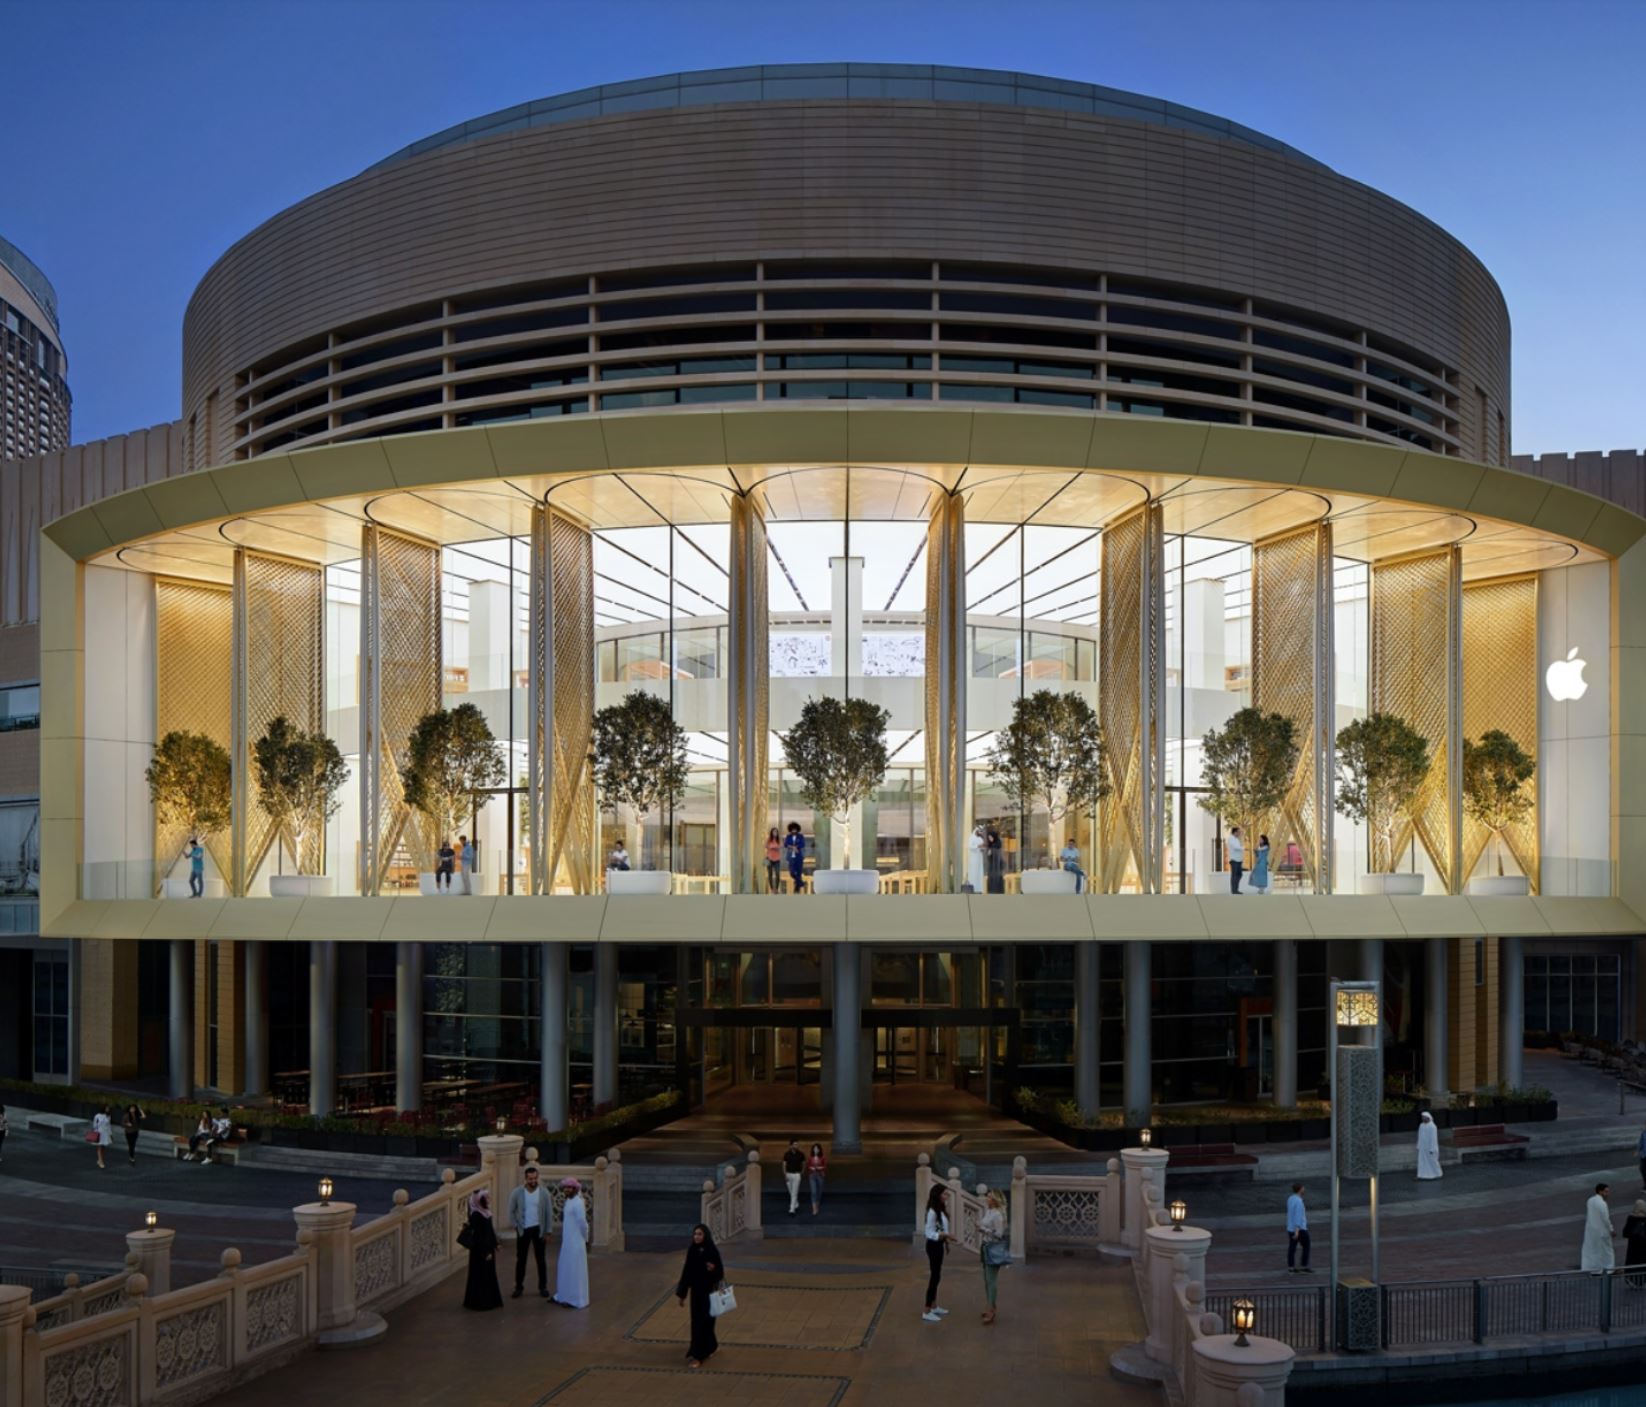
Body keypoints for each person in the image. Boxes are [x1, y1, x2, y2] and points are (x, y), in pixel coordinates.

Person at [676, 1222, 723, 1368]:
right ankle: (698, 1354)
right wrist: (682, 1293)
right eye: (695, 1234)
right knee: (698, 1323)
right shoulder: (692, 1250)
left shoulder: (711, 1250)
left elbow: (720, 1273)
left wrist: (712, 1269)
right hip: (697, 1294)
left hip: (709, 1293)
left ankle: (707, 1349)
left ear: (705, 1236)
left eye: (700, 1234)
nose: (696, 1237)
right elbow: (687, 1272)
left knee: (707, 1323)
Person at [508, 1164, 552, 1299]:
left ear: (537, 1177)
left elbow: (548, 1213)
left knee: (541, 1260)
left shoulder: (544, 1193)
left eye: (535, 1178)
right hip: (523, 1230)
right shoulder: (517, 1192)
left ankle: (543, 1287)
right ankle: (518, 1287)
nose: (533, 1181)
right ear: (525, 1179)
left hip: (539, 1229)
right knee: (521, 1259)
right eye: (530, 1179)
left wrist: (548, 1232)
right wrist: (516, 1225)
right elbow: (511, 1210)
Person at [553, 1177, 591, 1308]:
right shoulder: (568, 1201)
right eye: (565, 1187)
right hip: (567, 1241)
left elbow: (582, 1223)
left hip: (576, 1242)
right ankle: (564, 1296)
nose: (567, 1189)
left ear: (575, 1189)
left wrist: (586, 1238)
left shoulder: (578, 1202)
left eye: (569, 1187)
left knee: (575, 1270)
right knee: (566, 1268)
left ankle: (575, 1299)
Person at [462, 1190, 502, 1310]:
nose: (488, 1200)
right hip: (480, 1252)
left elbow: (490, 1231)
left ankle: (490, 1300)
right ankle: (480, 1303)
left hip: (488, 1249)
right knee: (480, 1276)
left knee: (488, 1275)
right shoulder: (476, 1216)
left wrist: (495, 1244)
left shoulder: (485, 1213)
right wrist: (486, 1252)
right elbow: (479, 1237)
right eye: (485, 1198)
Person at [922, 1185, 956, 1321]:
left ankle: (934, 1306)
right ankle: (926, 1309)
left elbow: (941, 1228)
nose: (947, 1196)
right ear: (938, 1195)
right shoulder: (932, 1212)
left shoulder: (940, 1210)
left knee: (937, 1275)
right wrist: (946, 1235)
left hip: (939, 1245)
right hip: (933, 1246)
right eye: (945, 1194)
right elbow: (929, 1233)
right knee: (934, 1277)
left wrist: (947, 1239)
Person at [978, 1189, 1007, 1325]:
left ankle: (991, 1310)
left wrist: (983, 1229)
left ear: (995, 1200)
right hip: (984, 1247)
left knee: (991, 1280)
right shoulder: (989, 1211)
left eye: (989, 1197)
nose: (987, 1199)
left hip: (993, 1249)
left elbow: (999, 1234)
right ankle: (991, 1305)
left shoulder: (997, 1215)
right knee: (986, 1280)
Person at [1582, 1183, 1616, 1273]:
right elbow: (1606, 1219)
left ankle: (1593, 1269)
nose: (1607, 1194)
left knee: (1592, 1250)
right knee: (1607, 1251)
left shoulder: (1590, 1200)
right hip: (1602, 1231)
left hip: (1591, 1231)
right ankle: (1609, 1270)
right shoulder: (1602, 1203)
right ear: (1600, 1191)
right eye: (1606, 1192)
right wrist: (1611, 1229)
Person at [1286, 1183, 1311, 1272]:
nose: (1304, 1189)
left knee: (1292, 1247)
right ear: (1300, 1189)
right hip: (1300, 1229)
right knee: (1306, 1246)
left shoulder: (1290, 1198)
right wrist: (1297, 1230)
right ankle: (1304, 1266)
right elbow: (1298, 1216)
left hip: (1290, 1227)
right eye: (1303, 1188)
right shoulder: (1299, 1201)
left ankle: (1291, 1267)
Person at [1625, 1200, 1646, 1289]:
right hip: (1644, 1248)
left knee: (1632, 1264)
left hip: (1633, 1248)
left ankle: (1631, 1281)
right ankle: (1642, 1282)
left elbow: (1625, 1233)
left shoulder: (1631, 1218)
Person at [1416, 1111, 1442, 1180]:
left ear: (1428, 1118)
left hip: (1430, 1148)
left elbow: (1433, 1139)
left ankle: (1437, 1174)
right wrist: (1419, 1146)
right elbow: (1419, 1136)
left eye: (1424, 1117)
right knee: (1422, 1161)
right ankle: (1421, 1175)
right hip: (1423, 1147)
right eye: (1422, 1117)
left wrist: (1432, 1149)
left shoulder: (1432, 1127)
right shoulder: (1421, 1125)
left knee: (1432, 1161)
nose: (1423, 1118)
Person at [783, 1137, 805, 1216]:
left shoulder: (801, 1154)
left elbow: (803, 1163)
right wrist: (785, 1174)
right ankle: (796, 1203)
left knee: (794, 1192)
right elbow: (784, 1164)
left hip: (796, 1174)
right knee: (791, 1191)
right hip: (788, 1174)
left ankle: (792, 1209)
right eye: (795, 1144)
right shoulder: (786, 1154)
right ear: (791, 1145)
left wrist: (802, 1172)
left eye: (797, 1144)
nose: (796, 1146)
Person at [783, 821, 806, 895]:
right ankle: (801, 883)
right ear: (790, 830)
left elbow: (802, 844)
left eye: (795, 829)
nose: (794, 831)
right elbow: (786, 844)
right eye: (792, 829)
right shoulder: (788, 836)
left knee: (799, 872)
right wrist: (793, 847)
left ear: (797, 829)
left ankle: (797, 888)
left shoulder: (800, 836)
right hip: (791, 856)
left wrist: (796, 847)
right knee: (792, 872)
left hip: (799, 856)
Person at [806, 1142, 827, 1216]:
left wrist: (820, 1168)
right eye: (814, 1149)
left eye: (817, 1149)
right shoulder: (810, 1158)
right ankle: (814, 1209)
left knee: (819, 1192)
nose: (816, 1150)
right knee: (813, 1192)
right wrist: (811, 1168)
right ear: (813, 1150)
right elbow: (808, 1165)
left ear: (819, 1150)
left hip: (820, 1175)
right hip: (812, 1175)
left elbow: (825, 1166)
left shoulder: (823, 1157)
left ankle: (817, 1204)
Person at [984, 826, 1005, 894]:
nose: (990, 839)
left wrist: (991, 851)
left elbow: (998, 854)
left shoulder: (997, 844)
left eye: (991, 837)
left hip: (996, 867)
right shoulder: (991, 845)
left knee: (996, 881)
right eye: (989, 837)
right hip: (992, 867)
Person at [91, 1106, 112, 1171]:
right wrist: (96, 1131)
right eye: (106, 1108)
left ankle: (100, 1160)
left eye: (108, 1108)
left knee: (103, 1148)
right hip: (99, 1132)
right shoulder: (97, 1115)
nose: (108, 1109)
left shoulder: (108, 1116)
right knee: (99, 1147)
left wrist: (110, 1134)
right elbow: (94, 1124)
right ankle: (101, 1161)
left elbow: (109, 1125)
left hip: (105, 1133)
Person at [967, 824, 985, 893]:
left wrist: (982, 848)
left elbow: (982, 847)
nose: (979, 833)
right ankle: (973, 889)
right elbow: (970, 846)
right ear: (976, 831)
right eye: (979, 832)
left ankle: (979, 890)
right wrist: (978, 846)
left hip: (979, 858)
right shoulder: (971, 837)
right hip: (973, 859)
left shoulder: (980, 839)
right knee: (973, 873)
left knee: (979, 873)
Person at [1227, 826, 1245, 895]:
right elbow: (1236, 847)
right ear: (1235, 832)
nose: (1240, 833)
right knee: (1234, 875)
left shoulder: (1236, 839)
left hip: (1239, 859)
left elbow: (1239, 848)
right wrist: (1243, 848)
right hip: (1234, 859)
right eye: (1239, 832)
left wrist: (1241, 848)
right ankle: (1234, 890)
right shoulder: (1231, 839)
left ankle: (1236, 889)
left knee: (1239, 874)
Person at [766, 828, 783, 893]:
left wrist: (773, 847)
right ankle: (771, 888)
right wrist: (774, 847)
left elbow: (781, 846)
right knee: (770, 874)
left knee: (777, 874)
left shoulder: (779, 839)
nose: (775, 833)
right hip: (769, 859)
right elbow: (766, 845)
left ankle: (776, 888)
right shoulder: (769, 839)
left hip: (777, 860)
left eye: (776, 832)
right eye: (773, 832)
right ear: (771, 833)